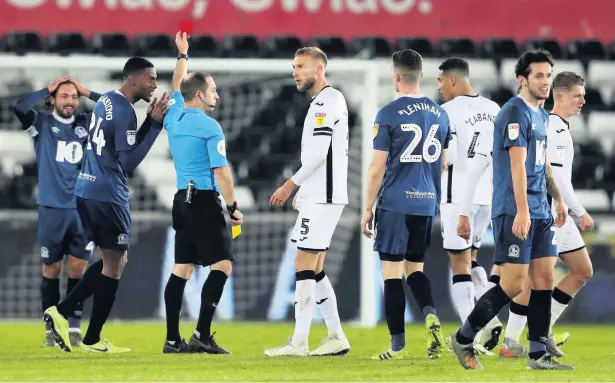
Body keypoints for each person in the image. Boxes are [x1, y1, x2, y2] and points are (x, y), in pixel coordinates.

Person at [450, 49, 574, 371]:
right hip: (513, 209)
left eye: (548, 75)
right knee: (515, 284)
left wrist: (557, 197)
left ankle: (536, 355)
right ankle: (464, 336)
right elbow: (517, 165)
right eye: (539, 76)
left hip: (540, 208)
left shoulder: (542, 114)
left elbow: (542, 159)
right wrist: (522, 210)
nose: (545, 82)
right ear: (523, 79)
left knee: (545, 276)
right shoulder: (514, 112)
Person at [43, 57, 169, 353]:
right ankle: (65, 316)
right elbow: (127, 163)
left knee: (114, 262)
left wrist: (148, 121)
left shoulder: (108, 100)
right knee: (115, 264)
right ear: (134, 80)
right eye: (150, 79)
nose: (154, 84)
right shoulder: (126, 112)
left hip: (86, 189)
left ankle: (89, 336)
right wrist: (154, 126)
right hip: (107, 193)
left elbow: (117, 136)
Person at [360, 49, 450, 360]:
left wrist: (368, 208)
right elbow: (442, 164)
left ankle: (397, 346)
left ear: (396, 76)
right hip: (426, 203)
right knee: (415, 270)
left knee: (391, 274)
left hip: (396, 203)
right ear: (422, 75)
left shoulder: (387, 114)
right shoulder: (441, 114)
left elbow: (376, 168)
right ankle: (430, 315)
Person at [499, 71, 593, 359]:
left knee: (581, 271)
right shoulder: (552, 127)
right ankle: (511, 341)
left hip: (558, 213)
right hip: (553, 213)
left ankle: (543, 329)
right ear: (560, 96)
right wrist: (581, 211)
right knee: (539, 281)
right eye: (578, 95)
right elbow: (558, 180)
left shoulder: (560, 127)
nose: (583, 101)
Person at [265, 47, 351, 357]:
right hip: (322, 193)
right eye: (293, 65)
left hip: (325, 196)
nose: (295, 71)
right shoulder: (323, 101)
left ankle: (299, 342)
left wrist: (290, 184)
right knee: (313, 267)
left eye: (300, 66)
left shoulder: (327, 101)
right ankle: (336, 336)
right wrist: (305, 188)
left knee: (302, 262)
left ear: (318, 69)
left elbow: (318, 155)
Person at [161, 32, 243, 354]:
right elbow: (222, 172)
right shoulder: (211, 127)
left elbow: (177, 83)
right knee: (222, 265)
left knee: (182, 268)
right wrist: (233, 206)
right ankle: (202, 335)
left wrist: (183, 54)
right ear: (200, 95)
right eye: (213, 91)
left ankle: (171, 340)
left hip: (181, 199)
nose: (217, 97)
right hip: (204, 199)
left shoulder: (174, 113)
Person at [12, 77, 101, 347]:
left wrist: (88, 91)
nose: (70, 101)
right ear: (53, 99)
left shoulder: (86, 123)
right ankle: (51, 328)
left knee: (78, 267)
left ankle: (73, 327)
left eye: (74, 97)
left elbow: (116, 108)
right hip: (52, 209)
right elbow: (18, 106)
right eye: (64, 96)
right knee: (51, 268)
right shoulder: (41, 123)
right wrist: (45, 89)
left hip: (83, 208)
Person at [436, 57, 503, 349]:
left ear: (452, 79)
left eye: (440, 81)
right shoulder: (495, 109)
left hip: (457, 196)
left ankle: (470, 335)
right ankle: (490, 320)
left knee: (459, 265)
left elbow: (446, 158)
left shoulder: (445, 112)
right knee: (473, 259)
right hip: (486, 195)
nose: (439, 88)